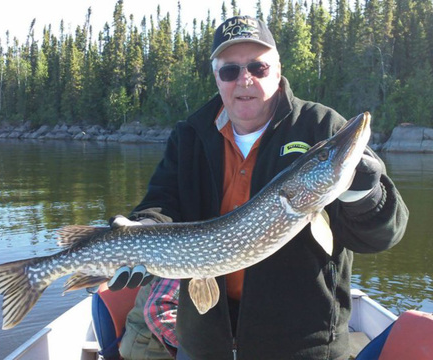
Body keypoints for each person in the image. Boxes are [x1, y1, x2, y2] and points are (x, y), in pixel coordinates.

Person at [109, 15, 409, 360]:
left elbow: (383, 236)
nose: (244, 79)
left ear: (278, 70)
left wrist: (365, 194)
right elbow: (162, 204)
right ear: (217, 77)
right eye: (230, 70)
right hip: (204, 344)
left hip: (302, 346)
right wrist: (143, 229)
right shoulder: (190, 134)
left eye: (258, 67)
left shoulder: (321, 126)